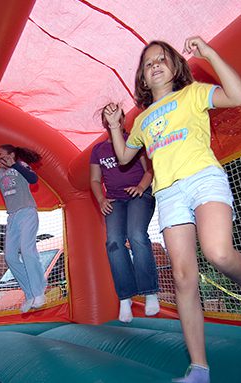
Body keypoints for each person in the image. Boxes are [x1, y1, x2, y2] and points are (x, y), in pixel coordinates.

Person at [105, 36, 241, 383]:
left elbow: (240, 96)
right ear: (142, 77)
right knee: (184, 277)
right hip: (168, 192)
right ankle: (199, 368)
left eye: (161, 59)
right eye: (148, 63)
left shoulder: (193, 93)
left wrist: (210, 54)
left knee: (217, 252)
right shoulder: (141, 120)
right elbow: (126, 158)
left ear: (175, 68)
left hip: (202, 178)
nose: (154, 65)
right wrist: (115, 126)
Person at [90, 105, 159, 323]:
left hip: (139, 195)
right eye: (109, 118)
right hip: (115, 199)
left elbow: (150, 169)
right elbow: (94, 179)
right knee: (113, 242)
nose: (113, 121)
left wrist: (140, 187)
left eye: (118, 117)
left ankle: (149, 291)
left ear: (122, 120)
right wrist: (101, 199)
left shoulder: (134, 139)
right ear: (105, 122)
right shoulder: (98, 150)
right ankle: (125, 297)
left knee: (136, 235)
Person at [0, 144, 47, 313]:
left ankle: (39, 291)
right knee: (10, 257)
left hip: (27, 212)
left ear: (11, 155)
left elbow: (33, 180)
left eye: (0, 154)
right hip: (12, 217)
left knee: (27, 250)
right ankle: (30, 294)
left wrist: (14, 164)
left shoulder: (20, 167)